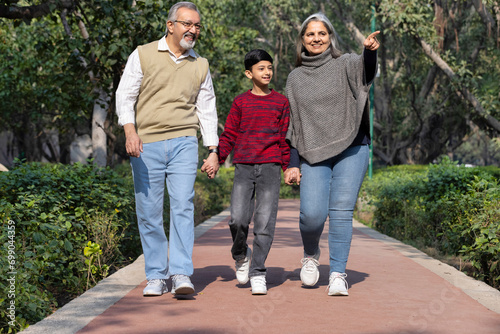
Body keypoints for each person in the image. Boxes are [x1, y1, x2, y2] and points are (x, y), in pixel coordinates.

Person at [115, 1, 220, 297]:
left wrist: (212, 148)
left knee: (183, 205)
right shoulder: (143, 54)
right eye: (187, 24)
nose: (193, 30)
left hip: (184, 141)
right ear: (170, 25)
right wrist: (130, 132)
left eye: (197, 25)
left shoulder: (200, 64)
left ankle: (181, 273)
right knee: (148, 210)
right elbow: (125, 96)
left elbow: (207, 108)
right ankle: (156, 275)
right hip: (146, 142)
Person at [284, 12, 380, 296]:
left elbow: (367, 71)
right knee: (312, 215)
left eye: (321, 33)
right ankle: (311, 254)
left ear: (330, 37)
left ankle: (338, 273)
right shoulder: (295, 78)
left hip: (352, 145)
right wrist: (292, 162)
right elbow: (293, 124)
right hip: (313, 151)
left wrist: (369, 52)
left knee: (340, 211)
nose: (316, 38)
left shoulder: (346, 63)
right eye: (310, 34)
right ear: (302, 40)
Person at [205, 49, 290, 295]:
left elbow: (285, 139)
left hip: (270, 168)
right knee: (238, 219)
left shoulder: (281, 102)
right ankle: (241, 254)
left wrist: (287, 167)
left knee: (264, 223)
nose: (267, 72)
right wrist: (218, 158)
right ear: (248, 73)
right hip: (243, 167)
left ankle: (258, 272)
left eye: (269, 68)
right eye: (261, 68)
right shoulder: (241, 102)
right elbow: (230, 133)